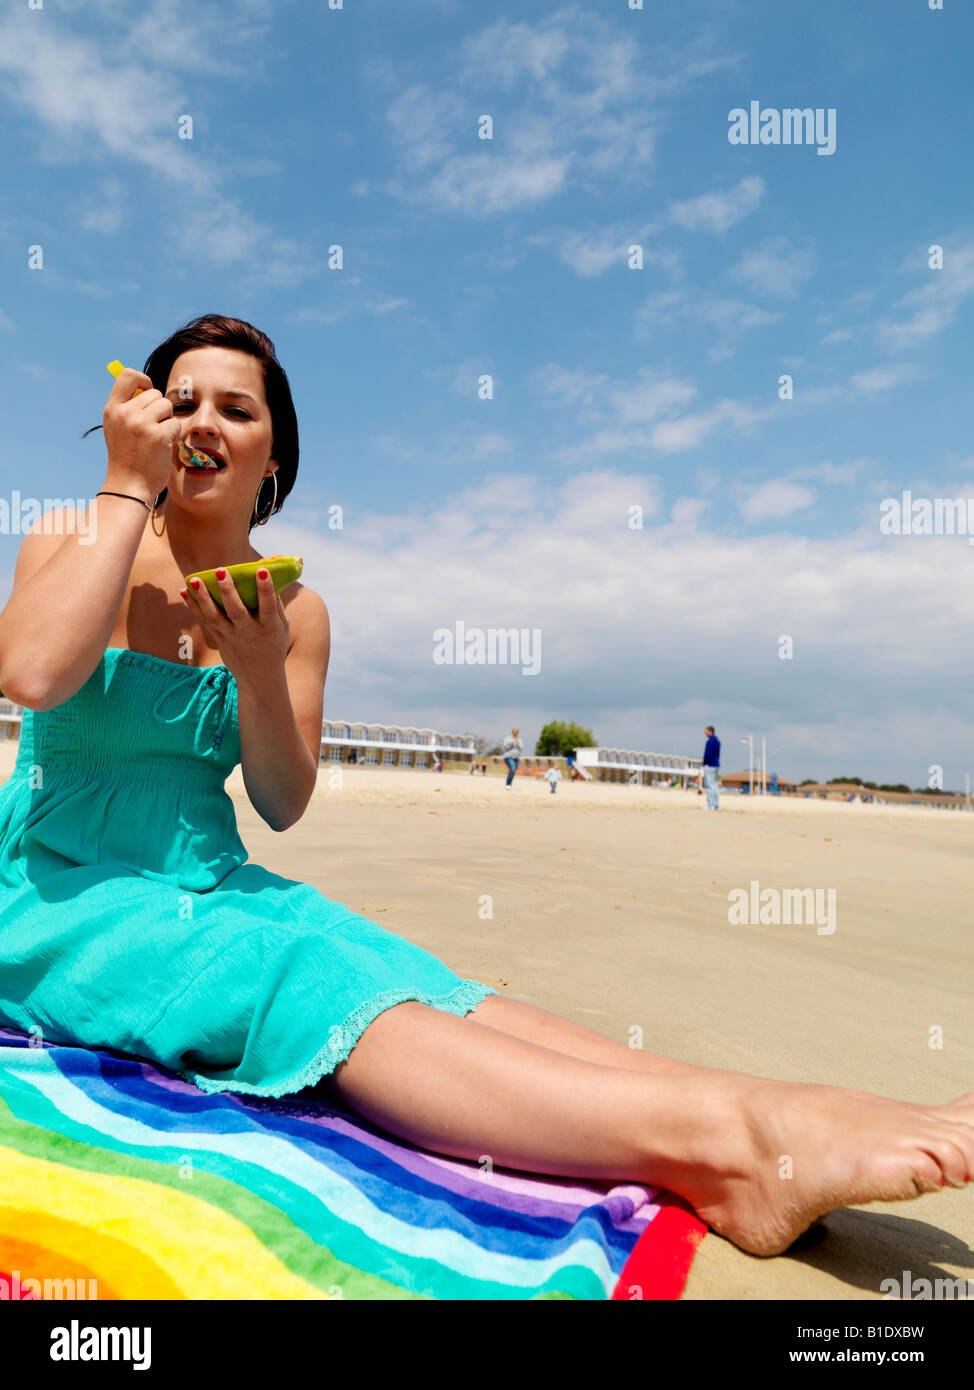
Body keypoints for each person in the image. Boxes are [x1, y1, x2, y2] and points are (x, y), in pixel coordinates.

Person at [0, 315, 971, 1263]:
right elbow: (32, 674)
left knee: (408, 971)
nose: (203, 422)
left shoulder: (295, 606)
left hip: (206, 868)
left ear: (272, 461)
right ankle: (725, 1146)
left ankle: (768, 1104)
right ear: (147, 423)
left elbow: (282, 799)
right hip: (57, 884)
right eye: (181, 402)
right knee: (303, 981)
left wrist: (260, 669)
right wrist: (125, 484)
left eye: (236, 409)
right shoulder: (84, 531)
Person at [701, 725, 721, 810]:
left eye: (706, 731)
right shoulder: (717, 740)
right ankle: (716, 805)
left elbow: (708, 753)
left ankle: (711, 804)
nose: (705, 733)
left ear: (710, 731)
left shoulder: (710, 741)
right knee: (714, 785)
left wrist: (705, 762)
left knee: (709, 785)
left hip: (710, 764)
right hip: (716, 764)